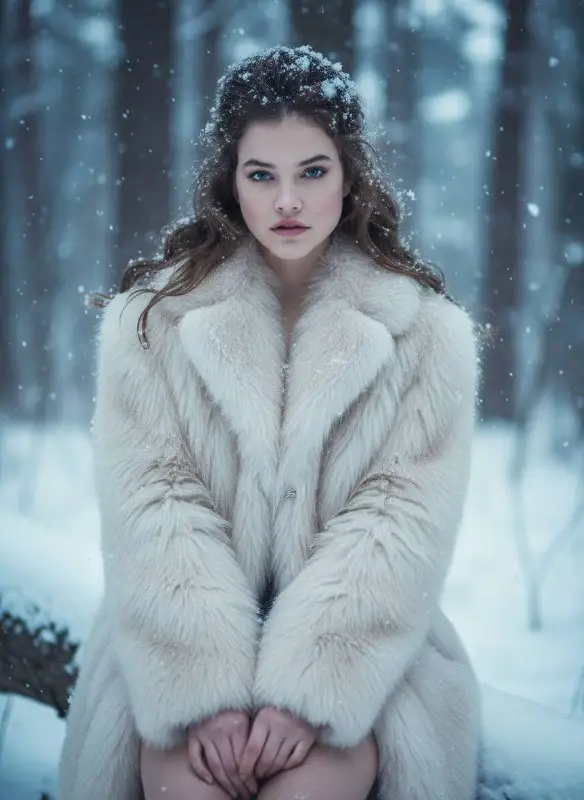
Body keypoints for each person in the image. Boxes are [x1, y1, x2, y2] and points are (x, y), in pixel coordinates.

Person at [58, 45, 481, 800]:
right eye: (262, 175)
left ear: (350, 175)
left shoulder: (429, 335)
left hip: (360, 661)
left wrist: (307, 691)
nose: (288, 201)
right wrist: (205, 691)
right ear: (231, 181)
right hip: (173, 651)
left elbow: (399, 520)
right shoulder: (150, 324)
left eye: (312, 172)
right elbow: (153, 503)